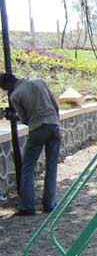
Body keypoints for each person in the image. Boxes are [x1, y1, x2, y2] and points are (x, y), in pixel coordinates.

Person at [0, 73, 61, 216]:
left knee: (28, 167)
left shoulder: (15, 95)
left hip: (38, 129)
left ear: (7, 85)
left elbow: (25, 119)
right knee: (52, 166)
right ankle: (49, 204)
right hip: (54, 125)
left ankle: (28, 205)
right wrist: (54, 121)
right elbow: (55, 105)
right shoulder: (40, 81)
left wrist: (12, 116)